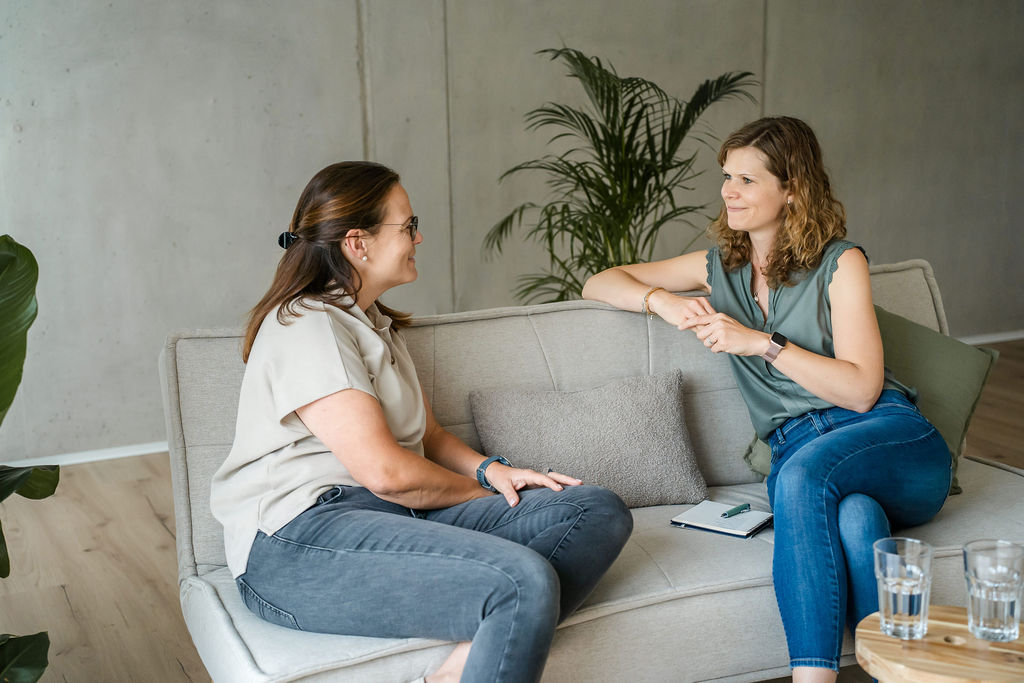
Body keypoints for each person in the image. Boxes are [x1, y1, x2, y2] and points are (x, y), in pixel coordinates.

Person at [211, 161, 633, 683]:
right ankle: (491, 627)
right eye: (408, 225)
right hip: (299, 543)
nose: (419, 236)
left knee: (595, 509)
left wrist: (492, 472)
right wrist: (481, 499)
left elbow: (428, 436)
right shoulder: (306, 325)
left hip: (395, 516)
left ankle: (463, 660)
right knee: (520, 580)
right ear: (357, 242)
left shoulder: (374, 324)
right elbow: (387, 473)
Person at [582, 116, 950, 682]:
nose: (729, 191)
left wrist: (761, 343)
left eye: (748, 180)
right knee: (854, 520)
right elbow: (600, 281)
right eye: (727, 176)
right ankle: (901, 672)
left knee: (804, 480)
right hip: (798, 449)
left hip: (887, 436)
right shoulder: (719, 268)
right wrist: (662, 301)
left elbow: (860, 389)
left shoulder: (840, 263)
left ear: (793, 189)